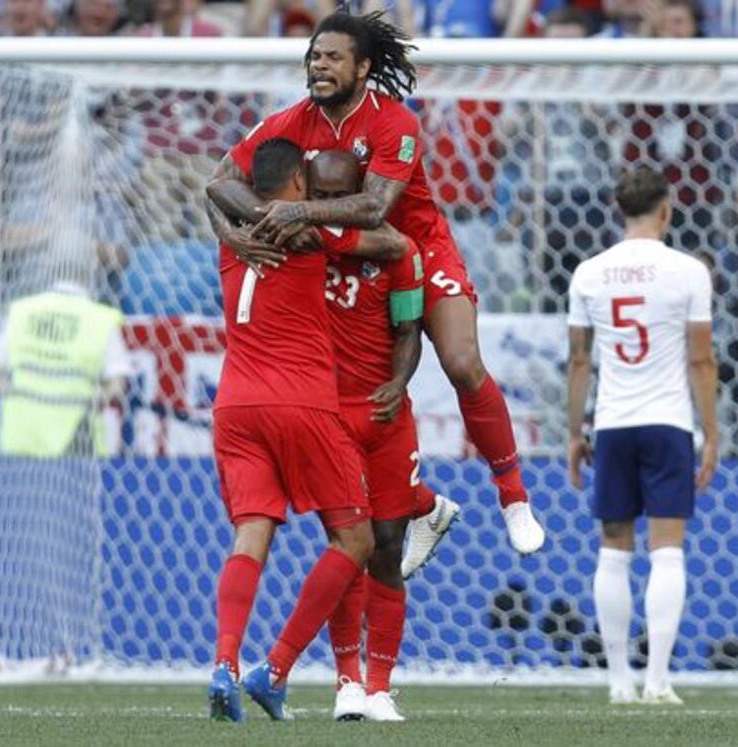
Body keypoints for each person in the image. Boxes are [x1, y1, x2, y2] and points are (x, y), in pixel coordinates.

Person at [205, 9, 545, 556]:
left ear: (363, 67)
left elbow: (377, 206)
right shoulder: (290, 121)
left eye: (332, 57)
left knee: (460, 361)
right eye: (314, 56)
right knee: (352, 411)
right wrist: (233, 233)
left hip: (414, 245)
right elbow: (219, 181)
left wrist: (297, 215)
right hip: (343, 260)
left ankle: (513, 496)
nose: (319, 65)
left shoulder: (394, 123)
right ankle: (420, 504)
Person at [204, 138, 377, 722]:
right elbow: (391, 242)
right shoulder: (305, 235)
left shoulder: (231, 239)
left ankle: (223, 664)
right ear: (300, 185)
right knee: (355, 539)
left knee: (251, 532)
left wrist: (238, 214)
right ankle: (274, 669)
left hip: (234, 404)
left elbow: (216, 187)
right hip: (299, 400)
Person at [307, 150, 458, 721]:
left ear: (362, 195)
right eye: (317, 198)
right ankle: (346, 681)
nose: (327, 209)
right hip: (327, 417)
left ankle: (379, 686)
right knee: (350, 547)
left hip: (384, 413)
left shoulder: (401, 253)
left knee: (389, 547)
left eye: (337, 197)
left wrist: (399, 381)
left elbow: (408, 329)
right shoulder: (301, 247)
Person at [565, 167, 719, 705]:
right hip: (669, 423)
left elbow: (580, 360)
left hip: (612, 423)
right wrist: (713, 433)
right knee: (668, 552)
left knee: (613, 551)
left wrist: (573, 432)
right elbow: (701, 359)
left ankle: (618, 681)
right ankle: (658, 678)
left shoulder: (589, 273)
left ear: (617, 209)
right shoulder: (689, 271)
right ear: (667, 209)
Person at [0, 278, 130, 458]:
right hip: (75, 437)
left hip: (21, 434)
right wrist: (95, 397)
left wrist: (14, 392)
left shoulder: (24, 310)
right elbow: (118, 385)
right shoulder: (99, 318)